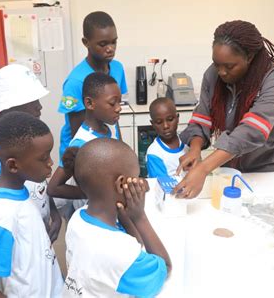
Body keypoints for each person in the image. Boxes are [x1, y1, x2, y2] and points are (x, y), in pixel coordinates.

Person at [175, 20, 274, 198]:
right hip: (230, 163)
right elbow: (202, 115)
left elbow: (251, 130)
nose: (221, 72)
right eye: (216, 64)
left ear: (249, 57)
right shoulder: (213, 74)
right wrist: (195, 150)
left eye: (229, 66)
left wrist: (204, 168)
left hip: (265, 167)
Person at [0, 112, 63, 297]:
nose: (51, 162)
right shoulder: (4, 216)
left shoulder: (5, 186)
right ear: (13, 165)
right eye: (44, 158)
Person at [63, 138, 171, 297]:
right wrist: (140, 217)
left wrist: (128, 216)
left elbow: (136, 243)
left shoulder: (78, 217)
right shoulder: (119, 251)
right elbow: (164, 269)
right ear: (121, 184)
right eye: (136, 176)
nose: (140, 181)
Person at [0, 64, 61, 243]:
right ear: (12, 104)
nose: (39, 107)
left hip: (34, 226)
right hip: (13, 237)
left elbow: (40, 176)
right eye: (33, 101)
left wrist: (54, 212)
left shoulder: (29, 135)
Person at [49, 72, 122, 219]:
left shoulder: (111, 127)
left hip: (112, 207)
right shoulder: (81, 143)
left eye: (120, 102)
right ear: (89, 103)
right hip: (93, 213)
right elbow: (54, 187)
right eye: (112, 103)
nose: (118, 108)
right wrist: (94, 192)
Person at [57, 11, 128, 161]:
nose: (110, 48)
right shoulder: (76, 81)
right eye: (102, 44)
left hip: (107, 145)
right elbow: (79, 132)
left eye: (113, 42)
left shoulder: (118, 69)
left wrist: (121, 150)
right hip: (80, 153)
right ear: (86, 42)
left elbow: (115, 118)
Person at [146, 97, 189, 178]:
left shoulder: (189, 143)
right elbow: (162, 186)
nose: (165, 126)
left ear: (177, 118)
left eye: (170, 119)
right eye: (159, 122)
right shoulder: (154, 153)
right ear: (152, 124)